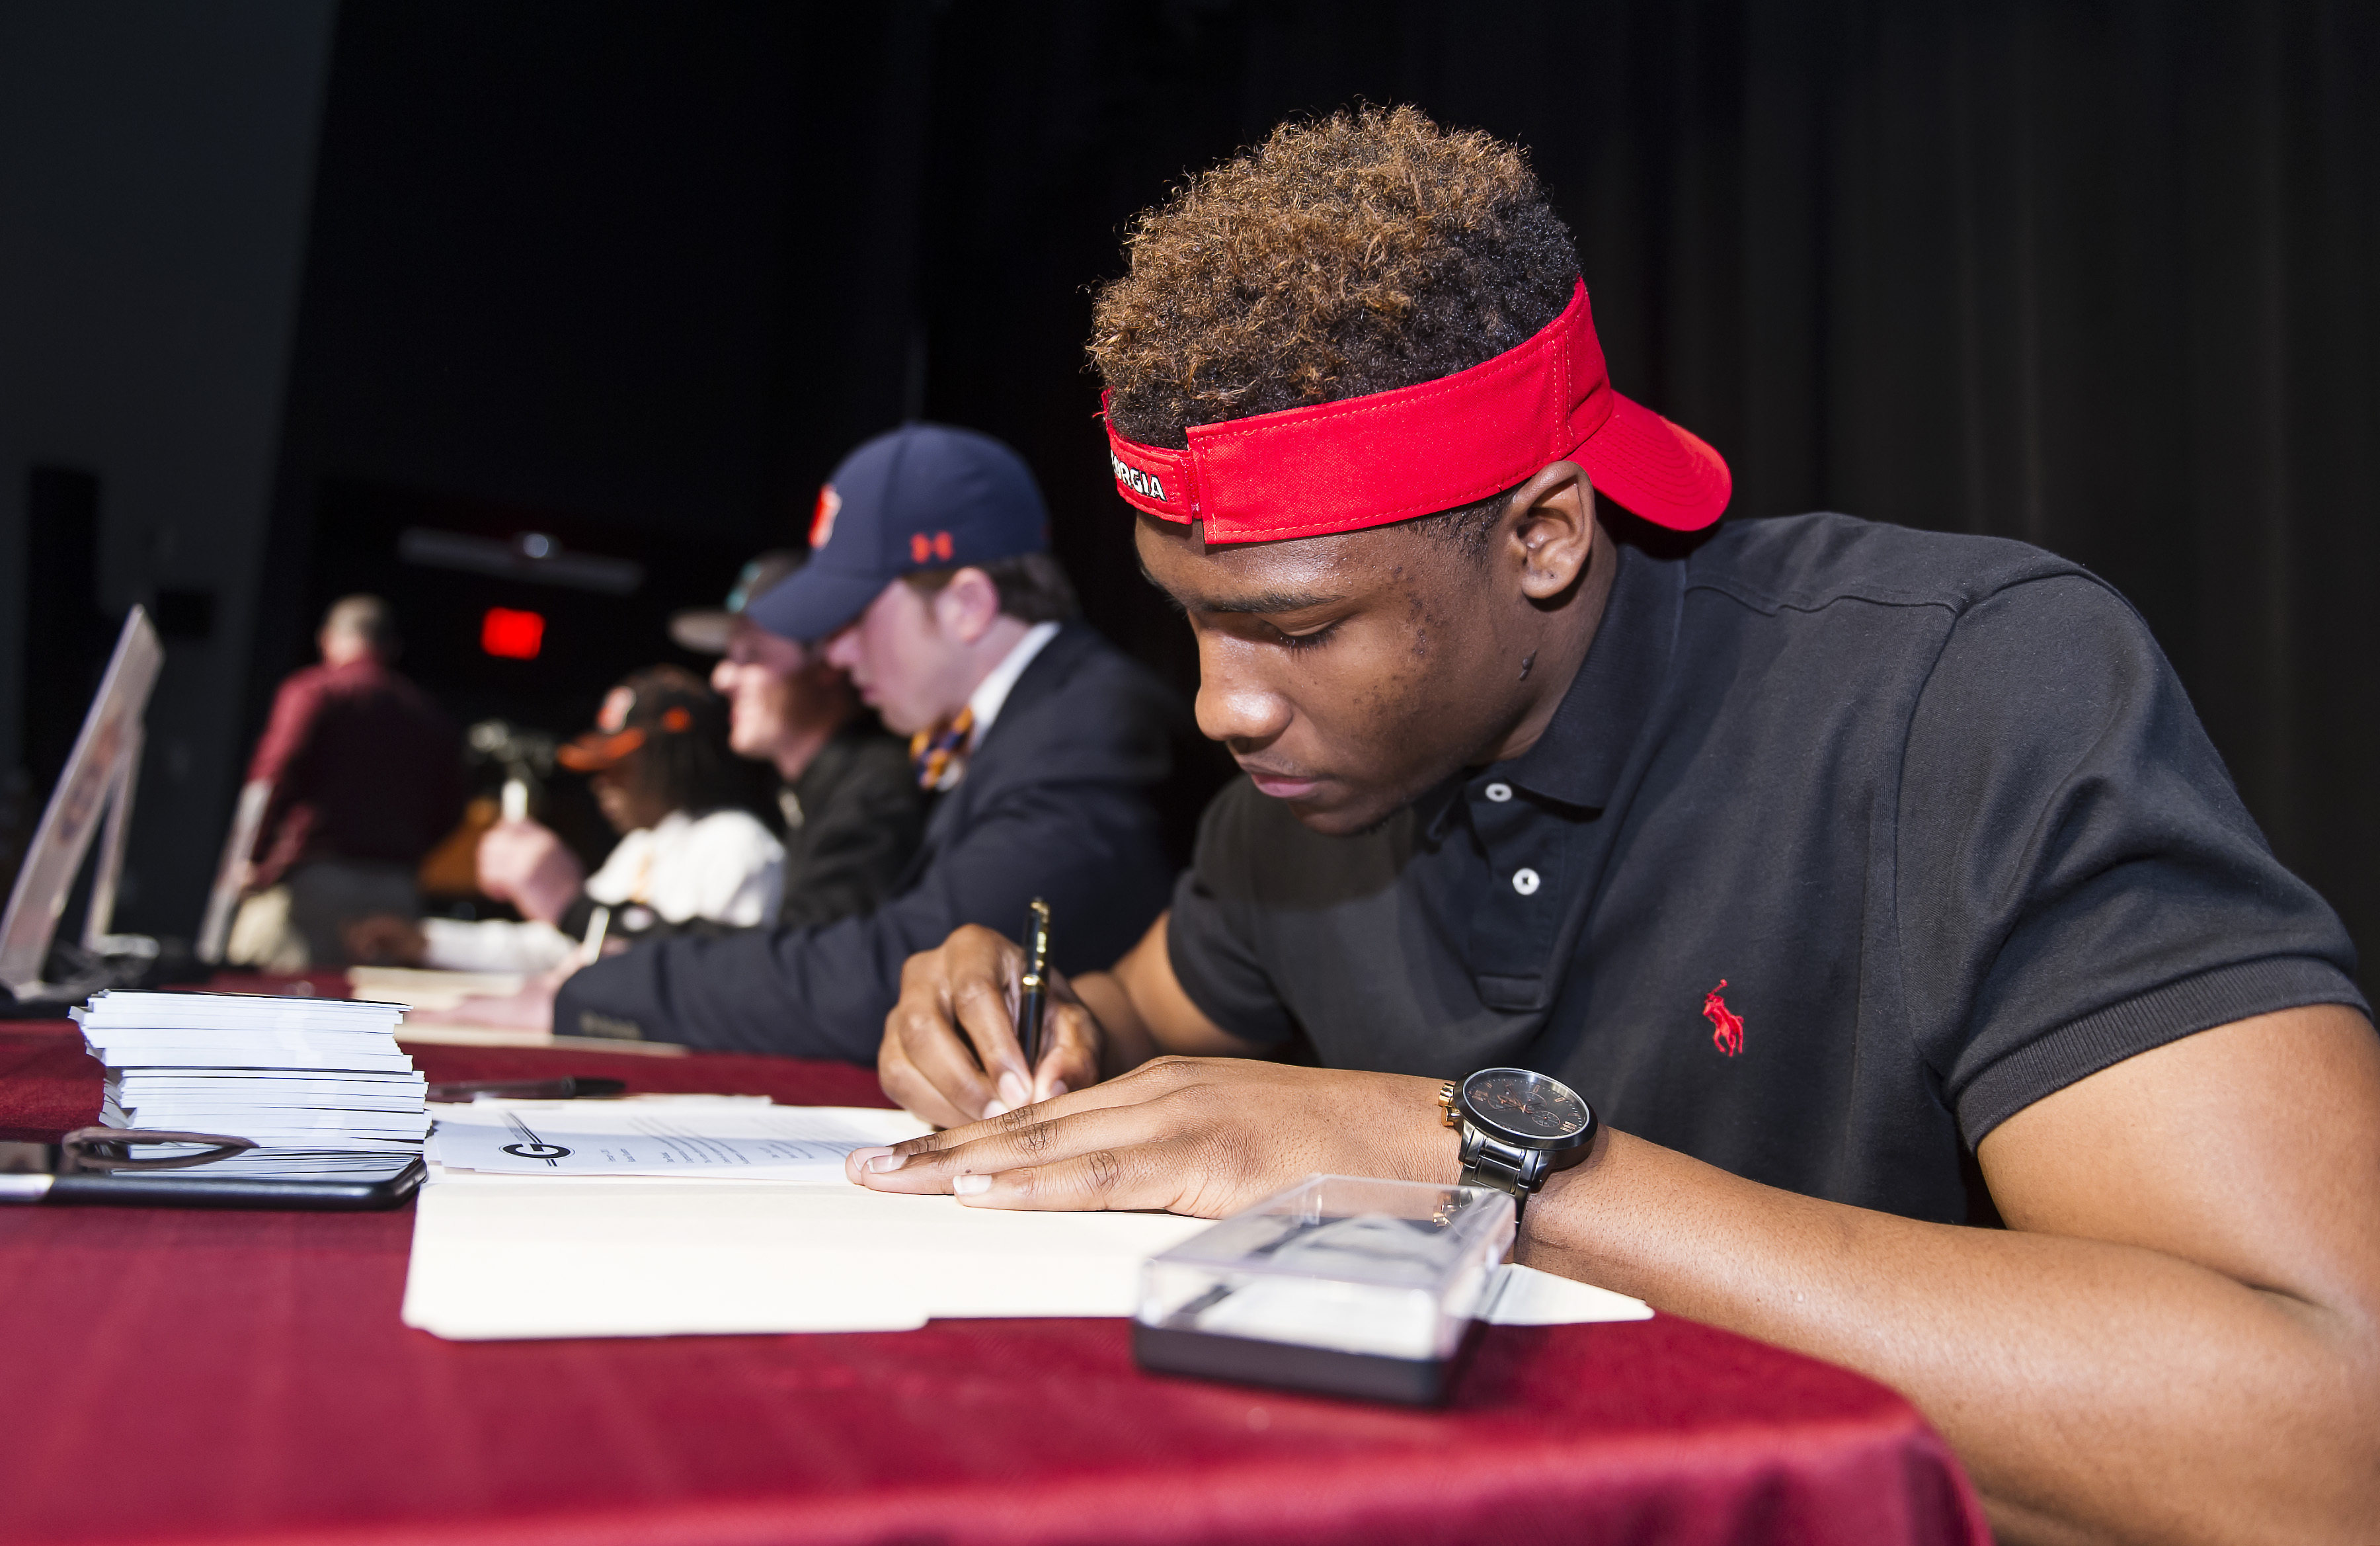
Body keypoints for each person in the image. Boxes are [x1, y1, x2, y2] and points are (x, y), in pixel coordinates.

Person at [854, 110, 2380, 1542]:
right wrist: (1023, 1013)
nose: (1222, 707)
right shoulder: (1304, 805)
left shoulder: (1962, 692)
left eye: (1299, 630)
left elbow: (2328, 1429)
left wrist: (1474, 1163)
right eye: (1189, 619)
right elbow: (1137, 1013)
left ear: (1543, 536)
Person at [444, 422, 1183, 1060]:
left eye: (854, 615)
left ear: (967, 604)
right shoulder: (1036, 720)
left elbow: (902, 974)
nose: (836, 651)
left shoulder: (1090, 728)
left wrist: (610, 991)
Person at [348, 666, 783, 971]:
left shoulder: (737, 846)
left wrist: (566, 901)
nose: (601, 783)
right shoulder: (642, 846)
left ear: (677, 760)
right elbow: (560, 949)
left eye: (619, 766)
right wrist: (427, 940)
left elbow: (714, 977)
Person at [670, 549, 924, 929]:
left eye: (751, 655)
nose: (721, 679)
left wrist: (645, 945)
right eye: (729, 656)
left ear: (828, 659)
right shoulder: (816, 792)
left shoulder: (876, 791)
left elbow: (815, 951)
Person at [226, 595, 461, 972]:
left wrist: (252, 856)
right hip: (395, 891)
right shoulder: (428, 713)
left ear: (327, 639)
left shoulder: (314, 691)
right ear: (392, 648)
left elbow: (274, 776)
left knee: (265, 994)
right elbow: (451, 808)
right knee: (376, 1005)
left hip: (313, 882)